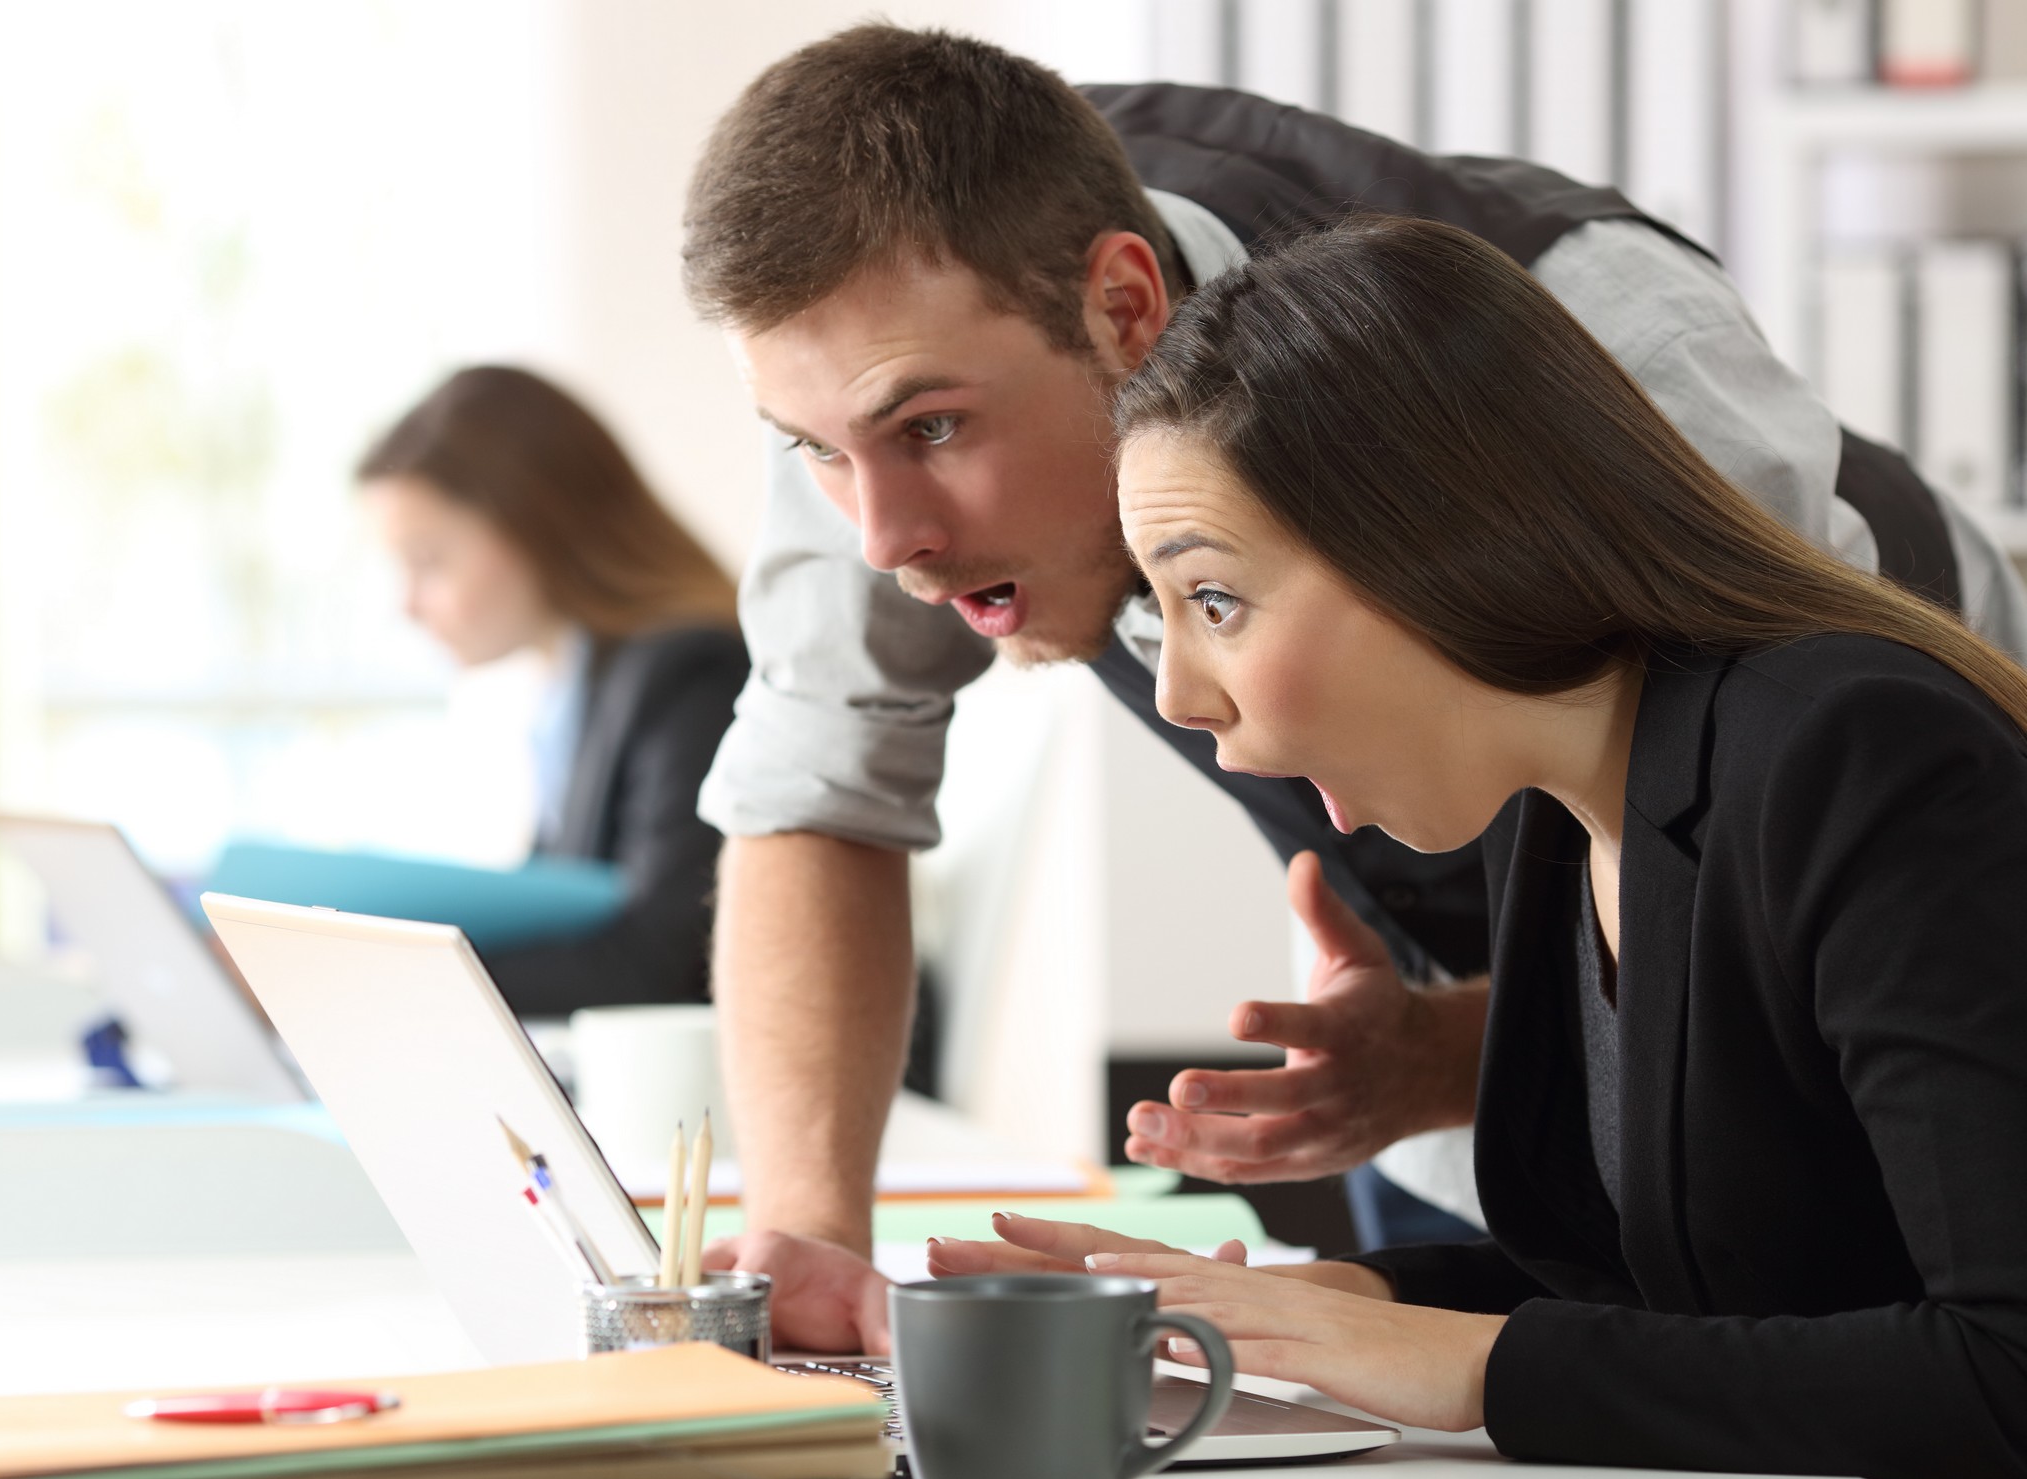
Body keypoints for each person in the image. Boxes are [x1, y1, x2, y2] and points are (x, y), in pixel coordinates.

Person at [682, 24, 2027, 1352]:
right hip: (1515, 1039)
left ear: (1126, 309)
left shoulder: (1594, 350)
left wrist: (1471, 1318)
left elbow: (1774, 906)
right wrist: (810, 1231)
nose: (879, 538)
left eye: (931, 430)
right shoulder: (879, 348)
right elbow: (819, 782)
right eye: (812, 451)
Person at [922, 211, 2027, 1479]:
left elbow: (2005, 1381)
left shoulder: (1854, 752)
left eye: (1213, 601)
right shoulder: (1564, 807)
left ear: (1435, 539)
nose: (1175, 695)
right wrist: (1362, 1305)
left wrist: (1476, 1366)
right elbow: (1699, 1296)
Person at [356, 365, 747, 1014]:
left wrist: (382, 982)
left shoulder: (695, 677)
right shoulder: (581, 690)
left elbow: (657, 961)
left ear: (533, 527)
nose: (407, 605)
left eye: (428, 560)